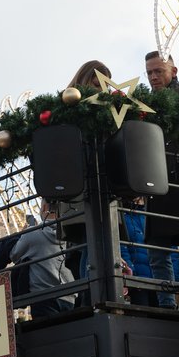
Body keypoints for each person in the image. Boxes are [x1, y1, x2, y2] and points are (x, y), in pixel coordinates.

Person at [143, 51, 179, 309]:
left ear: (173, 72)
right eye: (149, 72)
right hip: (158, 185)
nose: (153, 77)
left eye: (158, 71)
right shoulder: (144, 108)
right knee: (157, 253)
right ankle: (166, 304)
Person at [57, 60, 112, 281]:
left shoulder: (104, 112)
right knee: (89, 247)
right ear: (85, 79)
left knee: (96, 247)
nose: (100, 89)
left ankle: (93, 294)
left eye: (104, 85)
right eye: (96, 82)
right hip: (79, 191)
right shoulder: (69, 108)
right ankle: (93, 295)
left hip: (99, 187)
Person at [7, 202, 76, 318]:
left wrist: (22, 234)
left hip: (43, 297)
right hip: (70, 297)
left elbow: (14, 254)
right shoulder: (70, 233)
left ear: (44, 208)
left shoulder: (33, 233)